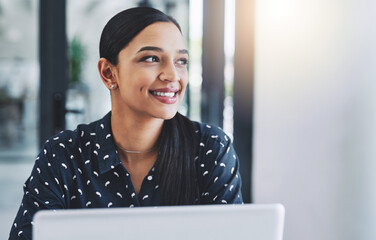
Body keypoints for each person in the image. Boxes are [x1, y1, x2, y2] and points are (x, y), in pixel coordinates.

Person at [9, 7, 243, 240]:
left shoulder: (210, 148)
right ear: (109, 73)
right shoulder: (63, 155)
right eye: (151, 58)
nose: (172, 75)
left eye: (181, 61)